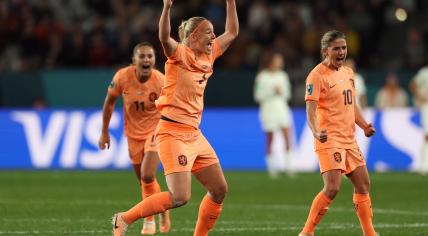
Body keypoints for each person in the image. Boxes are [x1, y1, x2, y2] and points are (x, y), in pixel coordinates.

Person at [111, 0, 239, 235]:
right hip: (172, 133)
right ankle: (124, 218)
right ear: (192, 38)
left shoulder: (209, 55)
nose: (214, 36)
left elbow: (232, 32)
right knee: (180, 197)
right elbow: (163, 38)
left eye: (213, 31)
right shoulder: (181, 53)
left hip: (194, 134)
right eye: (208, 32)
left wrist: (230, 1)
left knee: (219, 189)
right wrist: (167, 8)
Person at [299, 30, 378, 236]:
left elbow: (351, 105)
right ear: (326, 51)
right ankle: (306, 232)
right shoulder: (316, 76)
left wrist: (364, 126)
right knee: (332, 188)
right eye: (337, 48)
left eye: (344, 47)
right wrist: (316, 131)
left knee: (363, 185)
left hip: (349, 139)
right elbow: (310, 109)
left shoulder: (348, 72)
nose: (341, 52)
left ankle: (369, 233)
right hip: (329, 138)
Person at [98, 42, 170, 235]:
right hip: (133, 135)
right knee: (143, 180)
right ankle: (161, 207)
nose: (146, 59)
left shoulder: (161, 81)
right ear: (134, 60)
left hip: (155, 131)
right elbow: (109, 103)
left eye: (150, 56)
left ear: (154, 60)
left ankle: (149, 221)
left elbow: (171, 108)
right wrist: (104, 131)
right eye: (142, 56)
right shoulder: (122, 77)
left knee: (148, 174)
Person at [254, 51, 293, 178]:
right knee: (270, 139)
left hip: (282, 109)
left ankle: (288, 168)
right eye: (277, 60)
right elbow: (257, 96)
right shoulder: (262, 76)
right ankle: (272, 169)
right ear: (271, 62)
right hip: (268, 111)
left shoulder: (283, 76)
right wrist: (272, 91)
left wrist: (281, 92)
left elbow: (287, 95)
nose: (280, 63)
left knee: (287, 137)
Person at [410, 65, 428, 175]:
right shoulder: (424, 72)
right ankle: (424, 165)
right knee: (427, 135)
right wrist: (419, 96)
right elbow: (413, 84)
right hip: (426, 105)